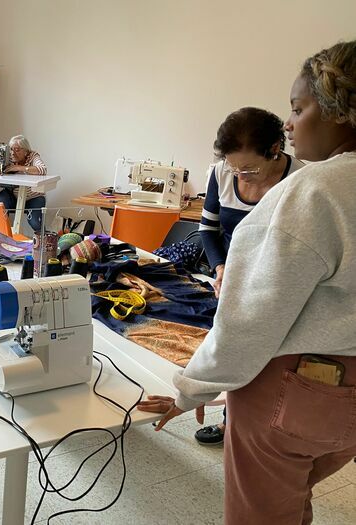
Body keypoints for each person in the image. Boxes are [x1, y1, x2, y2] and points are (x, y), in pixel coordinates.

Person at [138, 40, 356, 525]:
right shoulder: (235, 178)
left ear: (341, 110)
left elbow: (249, 325)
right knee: (291, 501)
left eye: (298, 109)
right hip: (344, 401)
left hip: (294, 395)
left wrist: (188, 391)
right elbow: (209, 232)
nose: (291, 124)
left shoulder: (310, 192)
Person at [195, 108, 305, 446]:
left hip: (276, 284)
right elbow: (208, 230)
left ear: (275, 149)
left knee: (267, 363)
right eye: (234, 167)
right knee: (231, 351)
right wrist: (220, 268)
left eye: (250, 168)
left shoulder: (300, 180)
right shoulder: (221, 174)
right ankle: (232, 423)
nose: (241, 175)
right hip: (230, 281)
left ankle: (260, 430)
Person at [0, 134, 48, 231]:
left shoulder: (33, 156)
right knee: (1, 201)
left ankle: (45, 242)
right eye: (11, 149)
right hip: (13, 197)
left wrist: (18, 168)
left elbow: (42, 169)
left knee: (35, 222)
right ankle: (1, 235)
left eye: (17, 150)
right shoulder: (8, 157)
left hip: (34, 197)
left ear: (26, 151)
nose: (13, 153)